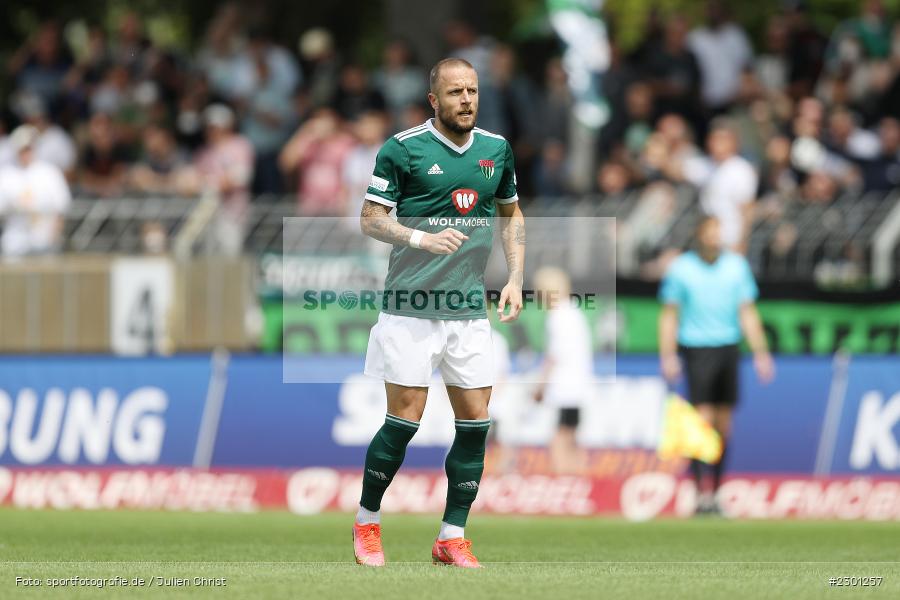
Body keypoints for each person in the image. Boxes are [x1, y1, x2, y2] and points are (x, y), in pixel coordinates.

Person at [354, 57, 524, 568]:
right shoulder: (403, 149)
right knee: (403, 422)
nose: (466, 100)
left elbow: (511, 214)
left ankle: (452, 535)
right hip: (410, 308)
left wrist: (515, 278)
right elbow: (370, 219)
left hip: (468, 310)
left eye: (472, 91)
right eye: (455, 92)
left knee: (476, 422)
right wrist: (419, 237)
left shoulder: (496, 150)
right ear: (435, 100)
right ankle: (367, 522)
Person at [658, 216, 774, 515]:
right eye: (709, 231)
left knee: (724, 424)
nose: (715, 237)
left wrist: (761, 352)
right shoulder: (682, 269)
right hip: (697, 348)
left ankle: (718, 491)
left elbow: (747, 311)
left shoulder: (736, 266)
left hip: (728, 347)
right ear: (699, 235)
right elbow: (669, 314)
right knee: (701, 421)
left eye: (718, 231)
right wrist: (668, 355)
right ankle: (699, 494)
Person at [530, 267, 592, 475]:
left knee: (559, 436)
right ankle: (578, 476)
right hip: (579, 384)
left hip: (563, 386)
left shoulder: (557, 316)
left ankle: (563, 478)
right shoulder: (575, 312)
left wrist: (540, 386)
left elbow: (553, 357)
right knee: (572, 434)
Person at [0, 125, 71, 257]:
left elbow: (61, 207)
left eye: (28, 148)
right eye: (22, 149)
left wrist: (54, 237)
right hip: (14, 239)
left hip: (44, 238)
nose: (25, 153)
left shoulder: (50, 172)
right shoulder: (5, 175)